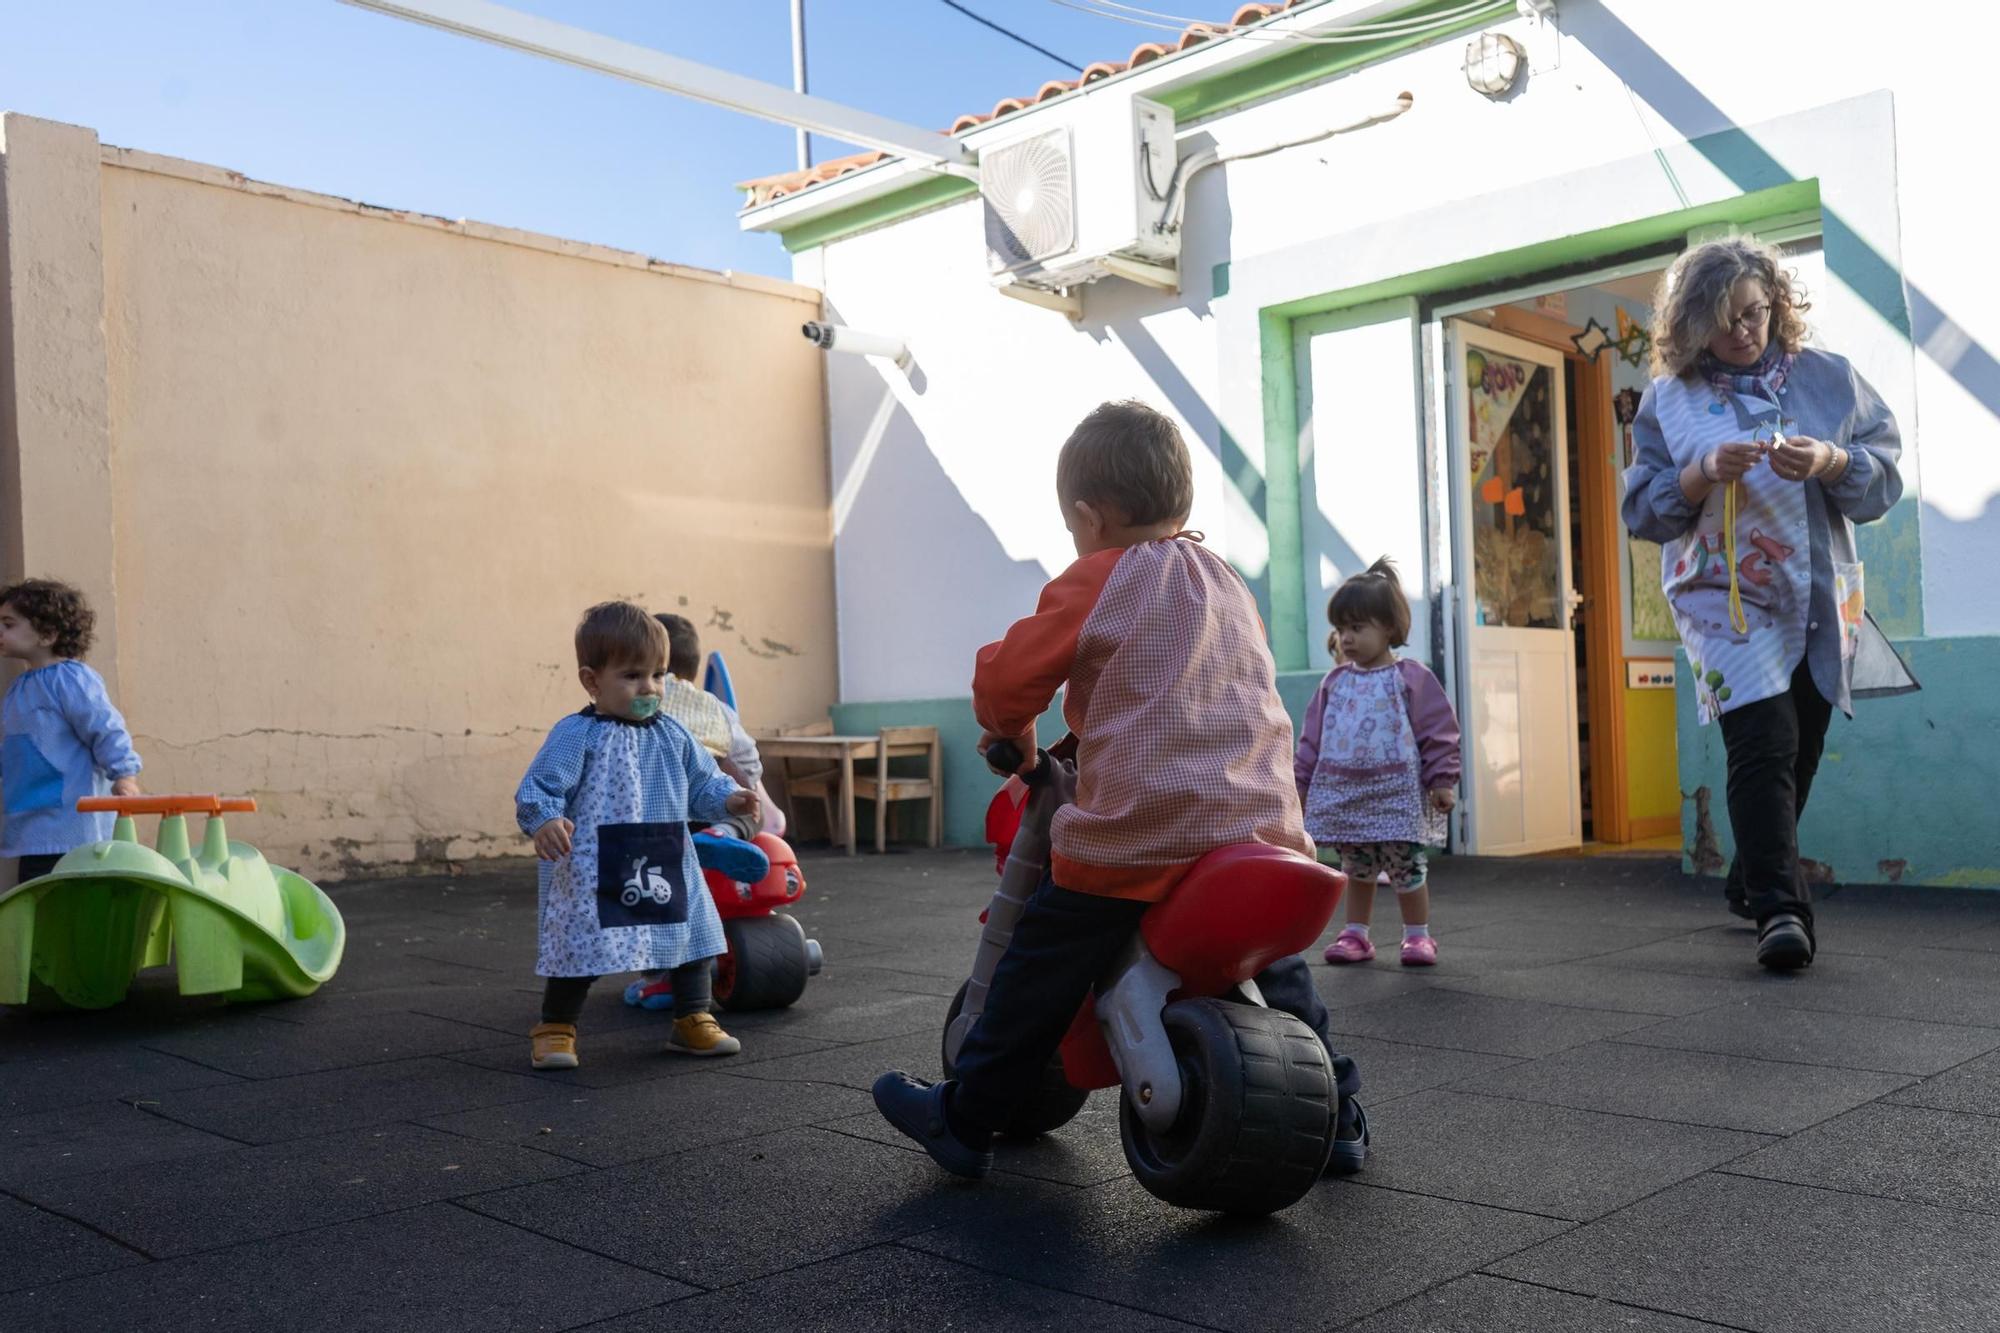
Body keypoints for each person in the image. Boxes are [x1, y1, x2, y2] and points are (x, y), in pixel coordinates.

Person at [871, 400, 1366, 1180]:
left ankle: (965, 1117)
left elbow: (1006, 676)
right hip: (1263, 827)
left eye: (1074, 528)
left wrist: (1015, 731)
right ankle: (1336, 1115)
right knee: (1272, 964)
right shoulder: (1226, 582)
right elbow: (1190, 686)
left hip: (1148, 826)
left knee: (1047, 949)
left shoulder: (1101, 575)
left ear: (1087, 515)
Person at [1622, 236, 1902, 971]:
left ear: (1776, 301)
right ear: (1691, 328)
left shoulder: (1830, 380)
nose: (1745, 331)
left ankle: (1750, 877)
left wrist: (1833, 460)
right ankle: (1782, 910)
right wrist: (1700, 471)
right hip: (1724, 605)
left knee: (1803, 743)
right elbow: (1642, 512)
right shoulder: (1670, 400)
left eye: (1755, 312)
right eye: (1724, 322)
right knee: (1763, 740)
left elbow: (1884, 478)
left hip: (1815, 593)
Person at [515, 600, 761, 1069]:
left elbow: (703, 781)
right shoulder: (576, 734)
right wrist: (545, 819)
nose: (648, 687)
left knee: (688, 936)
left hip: (663, 850)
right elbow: (541, 785)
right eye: (632, 676)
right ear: (593, 681)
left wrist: (729, 799)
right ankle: (555, 1027)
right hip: (592, 859)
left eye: (657, 675)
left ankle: (693, 1019)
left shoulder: (673, 733)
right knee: (579, 945)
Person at [1296, 558, 1460, 968]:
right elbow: (1311, 739)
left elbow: (1437, 731)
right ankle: (1356, 934)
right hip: (1347, 794)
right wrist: (1299, 785)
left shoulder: (1411, 678)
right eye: (1341, 629)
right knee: (1356, 866)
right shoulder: (1334, 682)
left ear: (1388, 628)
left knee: (1405, 864)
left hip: (1396, 792)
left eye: (1357, 628)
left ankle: (1418, 936)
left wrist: (1443, 779)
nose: (1346, 638)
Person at [0, 579, 143, 885]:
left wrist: (124, 775)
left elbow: (105, 728)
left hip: (74, 829)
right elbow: (14, 751)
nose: (1, 632)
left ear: (47, 634)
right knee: (38, 907)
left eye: (8, 624)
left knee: (73, 904)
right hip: (32, 829)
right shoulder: (18, 689)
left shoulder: (71, 680)